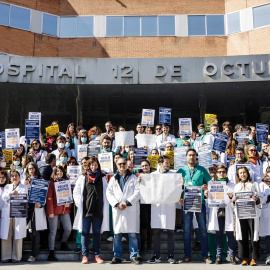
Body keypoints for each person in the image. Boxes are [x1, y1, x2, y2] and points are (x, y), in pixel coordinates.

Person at [178, 149, 212, 263]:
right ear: (186, 157)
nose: (191, 157)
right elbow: (175, 187)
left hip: (200, 203)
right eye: (189, 155)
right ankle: (187, 255)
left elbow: (210, 183)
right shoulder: (181, 170)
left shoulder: (202, 170)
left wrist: (206, 187)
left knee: (202, 230)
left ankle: (205, 255)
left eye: (193, 155)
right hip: (186, 203)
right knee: (187, 230)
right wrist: (179, 197)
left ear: (196, 157)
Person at [73, 157, 109, 264]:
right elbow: (76, 191)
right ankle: (85, 256)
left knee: (97, 233)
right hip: (86, 210)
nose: (94, 167)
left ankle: (97, 255)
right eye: (92, 165)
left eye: (95, 165)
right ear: (88, 166)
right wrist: (80, 203)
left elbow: (106, 192)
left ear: (98, 166)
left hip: (98, 209)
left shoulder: (102, 178)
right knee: (85, 232)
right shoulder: (83, 177)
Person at [106, 157, 141, 264]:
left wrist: (127, 202)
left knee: (132, 234)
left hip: (130, 208)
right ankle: (117, 256)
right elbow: (109, 193)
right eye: (120, 164)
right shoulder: (113, 179)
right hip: (118, 209)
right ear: (116, 165)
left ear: (127, 164)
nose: (122, 165)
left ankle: (134, 256)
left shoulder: (133, 178)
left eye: (124, 163)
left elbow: (138, 192)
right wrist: (117, 204)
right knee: (117, 235)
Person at [148, 155, 177, 264]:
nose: (168, 165)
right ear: (160, 164)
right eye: (166, 163)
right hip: (157, 206)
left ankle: (171, 255)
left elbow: (178, 189)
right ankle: (156, 255)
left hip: (169, 206)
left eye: (169, 163)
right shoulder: (152, 175)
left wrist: (181, 184)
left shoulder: (173, 175)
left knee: (170, 231)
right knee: (156, 231)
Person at [205, 165, 236, 264]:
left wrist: (232, 197)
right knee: (218, 234)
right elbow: (209, 200)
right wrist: (206, 196)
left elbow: (235, 198)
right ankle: (218, 256)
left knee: (230, 234)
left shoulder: (232, 184)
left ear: (226, 173)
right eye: (219, 172)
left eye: (223, 172)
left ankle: (231, 256)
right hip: (217, 211)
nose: (221, 173)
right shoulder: (212, 184)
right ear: (216, 173)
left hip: (229, 211)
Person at [232, 166, 262, 266]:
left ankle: (254, 258)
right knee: (242, 236)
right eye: (240, 173)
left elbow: (261, 198)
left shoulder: (254, 185)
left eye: (244, 172)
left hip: (252, 214)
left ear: (247, 173)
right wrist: (233, 201)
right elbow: (233, 203)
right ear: (238, 175)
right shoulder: (236, 187)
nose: (243, 174)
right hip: (241, 214)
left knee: (254, 235)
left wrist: (256, 199)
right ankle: (245, 258)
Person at [46, 166, 72, 261]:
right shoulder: (51, 183)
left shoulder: (66, 181)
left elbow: (69, 195)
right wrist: (50, 212)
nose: (59, 173)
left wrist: (69, 203)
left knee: (68, 228)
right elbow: (49, 198)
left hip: (64, 209)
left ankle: (63, 243)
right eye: (57, 171)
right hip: (54, 210)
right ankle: (51, 252)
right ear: (54, 173)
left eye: (61, 171)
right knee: (53, 232)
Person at [1, 170, 28, 263]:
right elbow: (3, 197)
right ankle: (6, 256)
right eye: (12, 176)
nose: (14, 178)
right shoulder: (7, 187)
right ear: (10, 177)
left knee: (18, 235)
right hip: (7, 213)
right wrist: (10, 193)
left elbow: (25, 197)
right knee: (6, 235)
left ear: (19, 177)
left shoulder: (24, 187)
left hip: (18, 214)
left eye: (16, 176)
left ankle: (16, 256)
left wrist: (18, 194)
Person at [24, 162, 47, 262]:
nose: (31, 170)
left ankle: (34, 254)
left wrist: (41, 204)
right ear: (27, 170)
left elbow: (44, 195)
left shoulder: (40, 180)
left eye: (33, 168)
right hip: (26, 208)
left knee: (35, 232)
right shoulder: (24, 181)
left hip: (36, 208)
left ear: (36, 169)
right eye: (29, 168)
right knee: (27, 231)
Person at [137, 160, 152, 254]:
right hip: (142, 202)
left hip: (153, 202)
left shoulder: (155, 175)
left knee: (151, 223)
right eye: (142, 166)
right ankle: (143, 244)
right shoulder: (139, 177)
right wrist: (138, 183)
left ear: (150, 166)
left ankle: (149, 243)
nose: (144, 167)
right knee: (143, 223)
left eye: (146, 165)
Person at [259, 168, 270, 265]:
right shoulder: (262, 184)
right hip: (267, 212)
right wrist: (267, 198)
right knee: (268, 236)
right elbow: (259, 198)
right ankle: (269, 255)